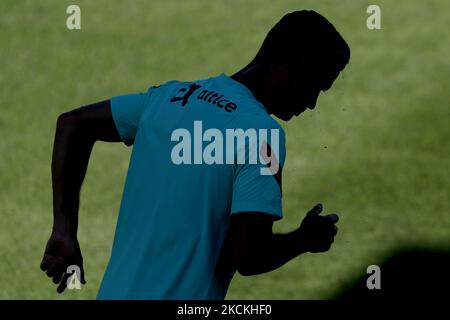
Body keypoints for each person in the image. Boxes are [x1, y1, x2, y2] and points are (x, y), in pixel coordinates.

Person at [40, 10, 350, 299]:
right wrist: (304, 239)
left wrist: (64, 230)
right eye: (318, 87)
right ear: (298, 67)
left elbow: (73, 125)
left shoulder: (170, 98)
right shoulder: (260, 135)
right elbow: (251, 256)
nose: (312, 104)